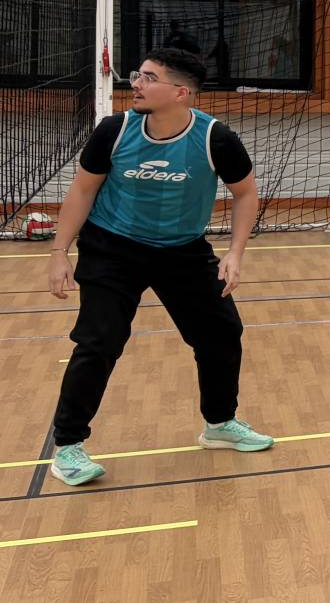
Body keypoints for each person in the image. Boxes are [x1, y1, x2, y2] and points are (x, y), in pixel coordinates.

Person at [43, 48, 273, 487]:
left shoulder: (216, 138)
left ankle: (219, 423)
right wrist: (59, 252)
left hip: (182, 251)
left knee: (222, 332)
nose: (137, 83)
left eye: (149, 78)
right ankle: (68, 446)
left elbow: (246, 194)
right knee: (99, 341)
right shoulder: (114, 130)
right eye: (139, 74)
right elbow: (83, 190)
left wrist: (235, 252)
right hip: (112, 249)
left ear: (180, 93)